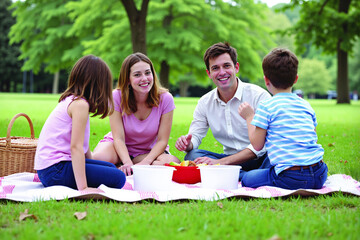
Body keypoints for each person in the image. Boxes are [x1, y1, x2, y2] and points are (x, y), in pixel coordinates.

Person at [175, 42, 271, 179]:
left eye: (226, 66)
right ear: (209, 73)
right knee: (192, 156)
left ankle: (233, 175)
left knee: (276, 159)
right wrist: (187, 143)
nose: (222, 72)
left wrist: (219, 163)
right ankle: (247, 176)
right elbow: (194, 137)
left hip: (260, 159)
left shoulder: (259, 96)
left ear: (236, 67)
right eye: (215, 68)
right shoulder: (205, 102)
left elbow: (261, 147)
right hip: (229, 159)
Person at [238, 48, 328, 189]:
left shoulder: (267, 106)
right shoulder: (305, 105)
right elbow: (313, 137)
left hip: (290, 177)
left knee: (247, 179)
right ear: (296, 78)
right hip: (320, 174)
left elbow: (257, 145)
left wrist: (249, 116)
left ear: (266, 80)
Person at [34, 55, 126, 192]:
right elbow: (76, 147)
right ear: (98, 84)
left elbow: (83, 143)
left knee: (111, 168)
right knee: (118, 178)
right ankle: (81, 183)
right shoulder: (80, 105)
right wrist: (83, 188)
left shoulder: (76, 101)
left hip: (51, 169)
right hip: (55, 171)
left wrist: (94, 162)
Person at [92, 53, 180, 176]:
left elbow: (162, 141)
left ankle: (122, 167)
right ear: (128, 79)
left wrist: (146, 162)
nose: (144, 78)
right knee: (95, 160)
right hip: (118, 147)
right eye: (137, 75)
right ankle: (123, 165)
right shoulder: (116, 97)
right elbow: (118, 138)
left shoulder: (166, 99)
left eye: (148, 73)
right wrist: (127, 161)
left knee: (172, 163)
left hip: (148, 151)